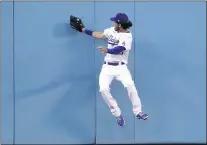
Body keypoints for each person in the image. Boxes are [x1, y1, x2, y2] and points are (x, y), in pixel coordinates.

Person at [81, 13, 148, 127]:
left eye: (115, 22)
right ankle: (117, 114)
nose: (113, 23)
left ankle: (138, 112)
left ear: (120, 24)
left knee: (130, 85)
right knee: (103, 90)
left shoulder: (127, 36)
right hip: (107, 67)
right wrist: (83, 30)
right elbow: (101, 35)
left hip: (121, 67)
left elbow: (119, 49)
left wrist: (107, 50)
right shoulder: (112, 30)